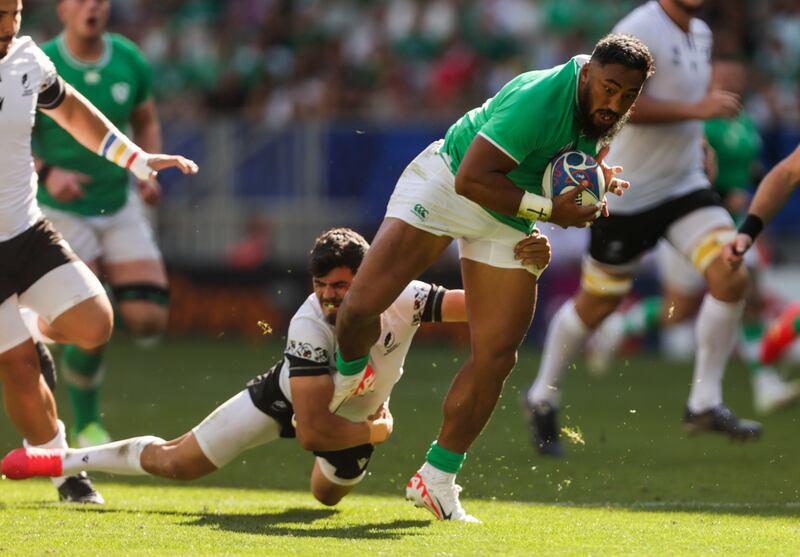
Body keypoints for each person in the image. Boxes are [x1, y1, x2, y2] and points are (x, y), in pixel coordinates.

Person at [327, 33, 652, 521]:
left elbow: (564, 165)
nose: (617, 102)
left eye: (629, 94)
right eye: (609, 89)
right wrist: (550, 213)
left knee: (497, 354)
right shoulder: (540, 100)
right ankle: (352, 377)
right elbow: (472, 179)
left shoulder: (607, 108)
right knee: (361, 306)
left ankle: (436, 479)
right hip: (450, 183)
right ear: (587, 74)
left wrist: (597, 184)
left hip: (510, 213)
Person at [1, 228, 550, 509]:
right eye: (321, 285)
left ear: (370, 279)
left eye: (342, 285)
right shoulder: (308, 324)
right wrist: (374, 432)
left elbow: (483, 307)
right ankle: (58, 461)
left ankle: (342, 458)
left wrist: (528, 270)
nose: (330, 297)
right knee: (178, 463)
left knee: (326, 497)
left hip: (350, 416)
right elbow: (312, 431)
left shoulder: (405, 297)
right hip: (289, 401)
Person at [525, 0, 762, 458]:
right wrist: (698, 110)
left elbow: (686, 103)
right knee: (597, 304)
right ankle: (542, 394)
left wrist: (700, 139)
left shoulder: (700, 33)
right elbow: (617, 105)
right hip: (627, 193)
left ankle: (704, 402)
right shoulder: (639, 26)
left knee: (731, 273)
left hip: (684, 185)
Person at [0, 0, 197, 503]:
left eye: (14, 12)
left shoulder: (27, 58)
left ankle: (30, 324)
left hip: (27, 231)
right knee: (18, 367)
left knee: (95, 324)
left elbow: (70, 111)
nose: (8, 24)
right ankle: (64, 471)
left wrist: (136, 159)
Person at [586, 58, 800, 414]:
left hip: (731, 223)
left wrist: (749, 199)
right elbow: (685, 174)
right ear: (708, 79)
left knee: (749, 293)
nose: (732, 80)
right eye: (724, 74)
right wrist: (724, 193)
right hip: (692, 220)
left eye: (737, 74)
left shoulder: (743, 121)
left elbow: (751, 169)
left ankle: (764, 383)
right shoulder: (698, 122)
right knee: (679, 310)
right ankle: (623, 325)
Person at [30, 0, 170, 448]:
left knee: (148, 318)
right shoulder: (41, 62)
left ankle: (42, 323)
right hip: (60, 209)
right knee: (92, 314)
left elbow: (145, 121)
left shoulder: (129, 58)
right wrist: (49, 172)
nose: (92, 6)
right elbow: (12, 136)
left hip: (118, 203)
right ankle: (88, 423)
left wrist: (145, 172)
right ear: (62, 9)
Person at [723, 144, 800, 363]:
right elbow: (786, 174)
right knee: (680, 307)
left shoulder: (746, 131)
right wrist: (749, 231)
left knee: (750, 295)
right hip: (710, 220)